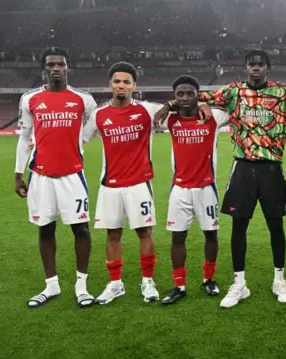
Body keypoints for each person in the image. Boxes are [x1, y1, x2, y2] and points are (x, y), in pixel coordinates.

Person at [82, 62, 209, 304]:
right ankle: (115, 284)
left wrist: (197, 103)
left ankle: (147, 281)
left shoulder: (147, 110)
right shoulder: (99, 115)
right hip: (110, 184)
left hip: (140, 183)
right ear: (110, 84)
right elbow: (80, 140)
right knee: (113, 234)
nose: (122, 85)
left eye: (126, 81)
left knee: (144, 232)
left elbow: (181, 104)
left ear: (134, 85)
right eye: (117, 81)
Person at [195, 50, 286, 308]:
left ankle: (279, 279)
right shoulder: (232, 92)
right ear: (245, 68)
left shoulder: (282, 93)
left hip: (272, 168)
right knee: (239, 227)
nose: (255, 69)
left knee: (276, 226)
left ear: (268, 68)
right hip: (242, 167)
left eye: (260, 65)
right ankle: (239, 284)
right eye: (251, 65)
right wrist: (200, 103)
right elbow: (193, 95)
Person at [15, 47, 97, 308]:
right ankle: (51, 285)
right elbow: (25, 138)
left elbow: (91, 127)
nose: (56, 69)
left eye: (60, 64)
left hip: (73, 176)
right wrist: (18, 174)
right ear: (44, 69)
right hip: (40, 176)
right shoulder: (29, 99)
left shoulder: (84, 99)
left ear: (67, 67)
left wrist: (79, 143)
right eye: (51, 65)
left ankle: (81, 286)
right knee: (45, 229)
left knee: (81, 229)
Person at [160, 75, 230, 304]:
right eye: (180, 94)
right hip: (179, 189)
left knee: (210, 234)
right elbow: (149, 111)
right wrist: (167, 106)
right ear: (174, 97)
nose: (185, 97)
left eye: (190, 93)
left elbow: (233, 104)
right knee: (177, 237)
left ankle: (209, 280)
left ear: (197, 94)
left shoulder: (213, 117)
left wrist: (205, 105)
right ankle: (179, 285)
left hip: (206, 187)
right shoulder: (170, 119)